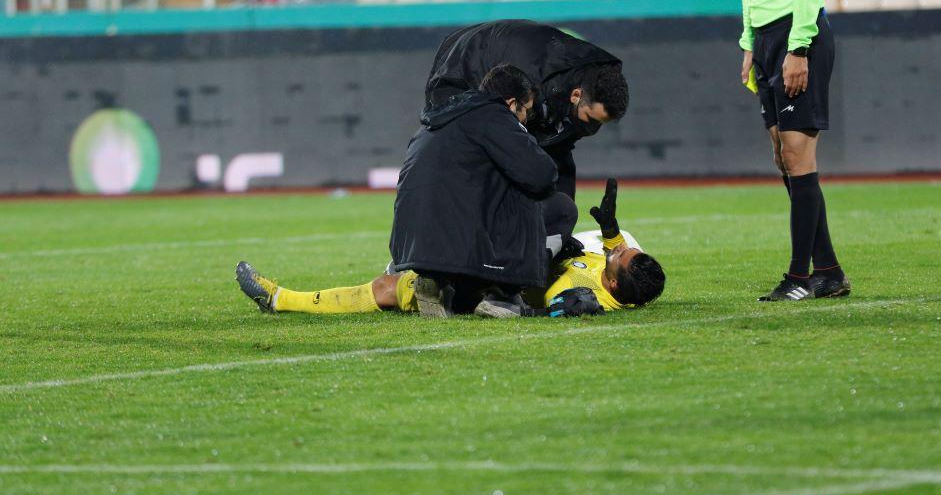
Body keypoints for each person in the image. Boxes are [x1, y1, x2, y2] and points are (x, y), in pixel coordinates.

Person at [234, 181, 666, 317]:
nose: (616, 250)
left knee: (386, 289)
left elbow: (540, 306)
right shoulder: (615, 280)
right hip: (493, 261)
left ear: (612, 283)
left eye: (619, 256)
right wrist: (611, 232)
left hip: (479, 284)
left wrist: (551, 260)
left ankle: (279, 299)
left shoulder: (582, 296)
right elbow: (616, 257)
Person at [734, 0, 850, 301]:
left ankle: (799, 277)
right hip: (764, 39)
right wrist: (749, 41)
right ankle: (829, 271)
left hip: (797, 34)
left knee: (798, 153)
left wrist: (798, 48)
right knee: (782, 156)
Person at [391, 63, 563, 317]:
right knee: (543, 199)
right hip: (457, 240)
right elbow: (542, 176)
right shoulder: (495, 116)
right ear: (511, 103)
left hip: (411, 245)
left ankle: (437, 281)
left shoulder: (438, 118)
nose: (526, 119)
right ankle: (503, 292)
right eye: (526, 110)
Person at [425, 19, 630, 199]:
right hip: (463, 65)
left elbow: (557, 155)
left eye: (600, 123)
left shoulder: (580, 88)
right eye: (591, 119)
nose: (592, 128)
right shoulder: (531, 82)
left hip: (508, 59)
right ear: (576, 96)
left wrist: (563, 214)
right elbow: (513, 148)